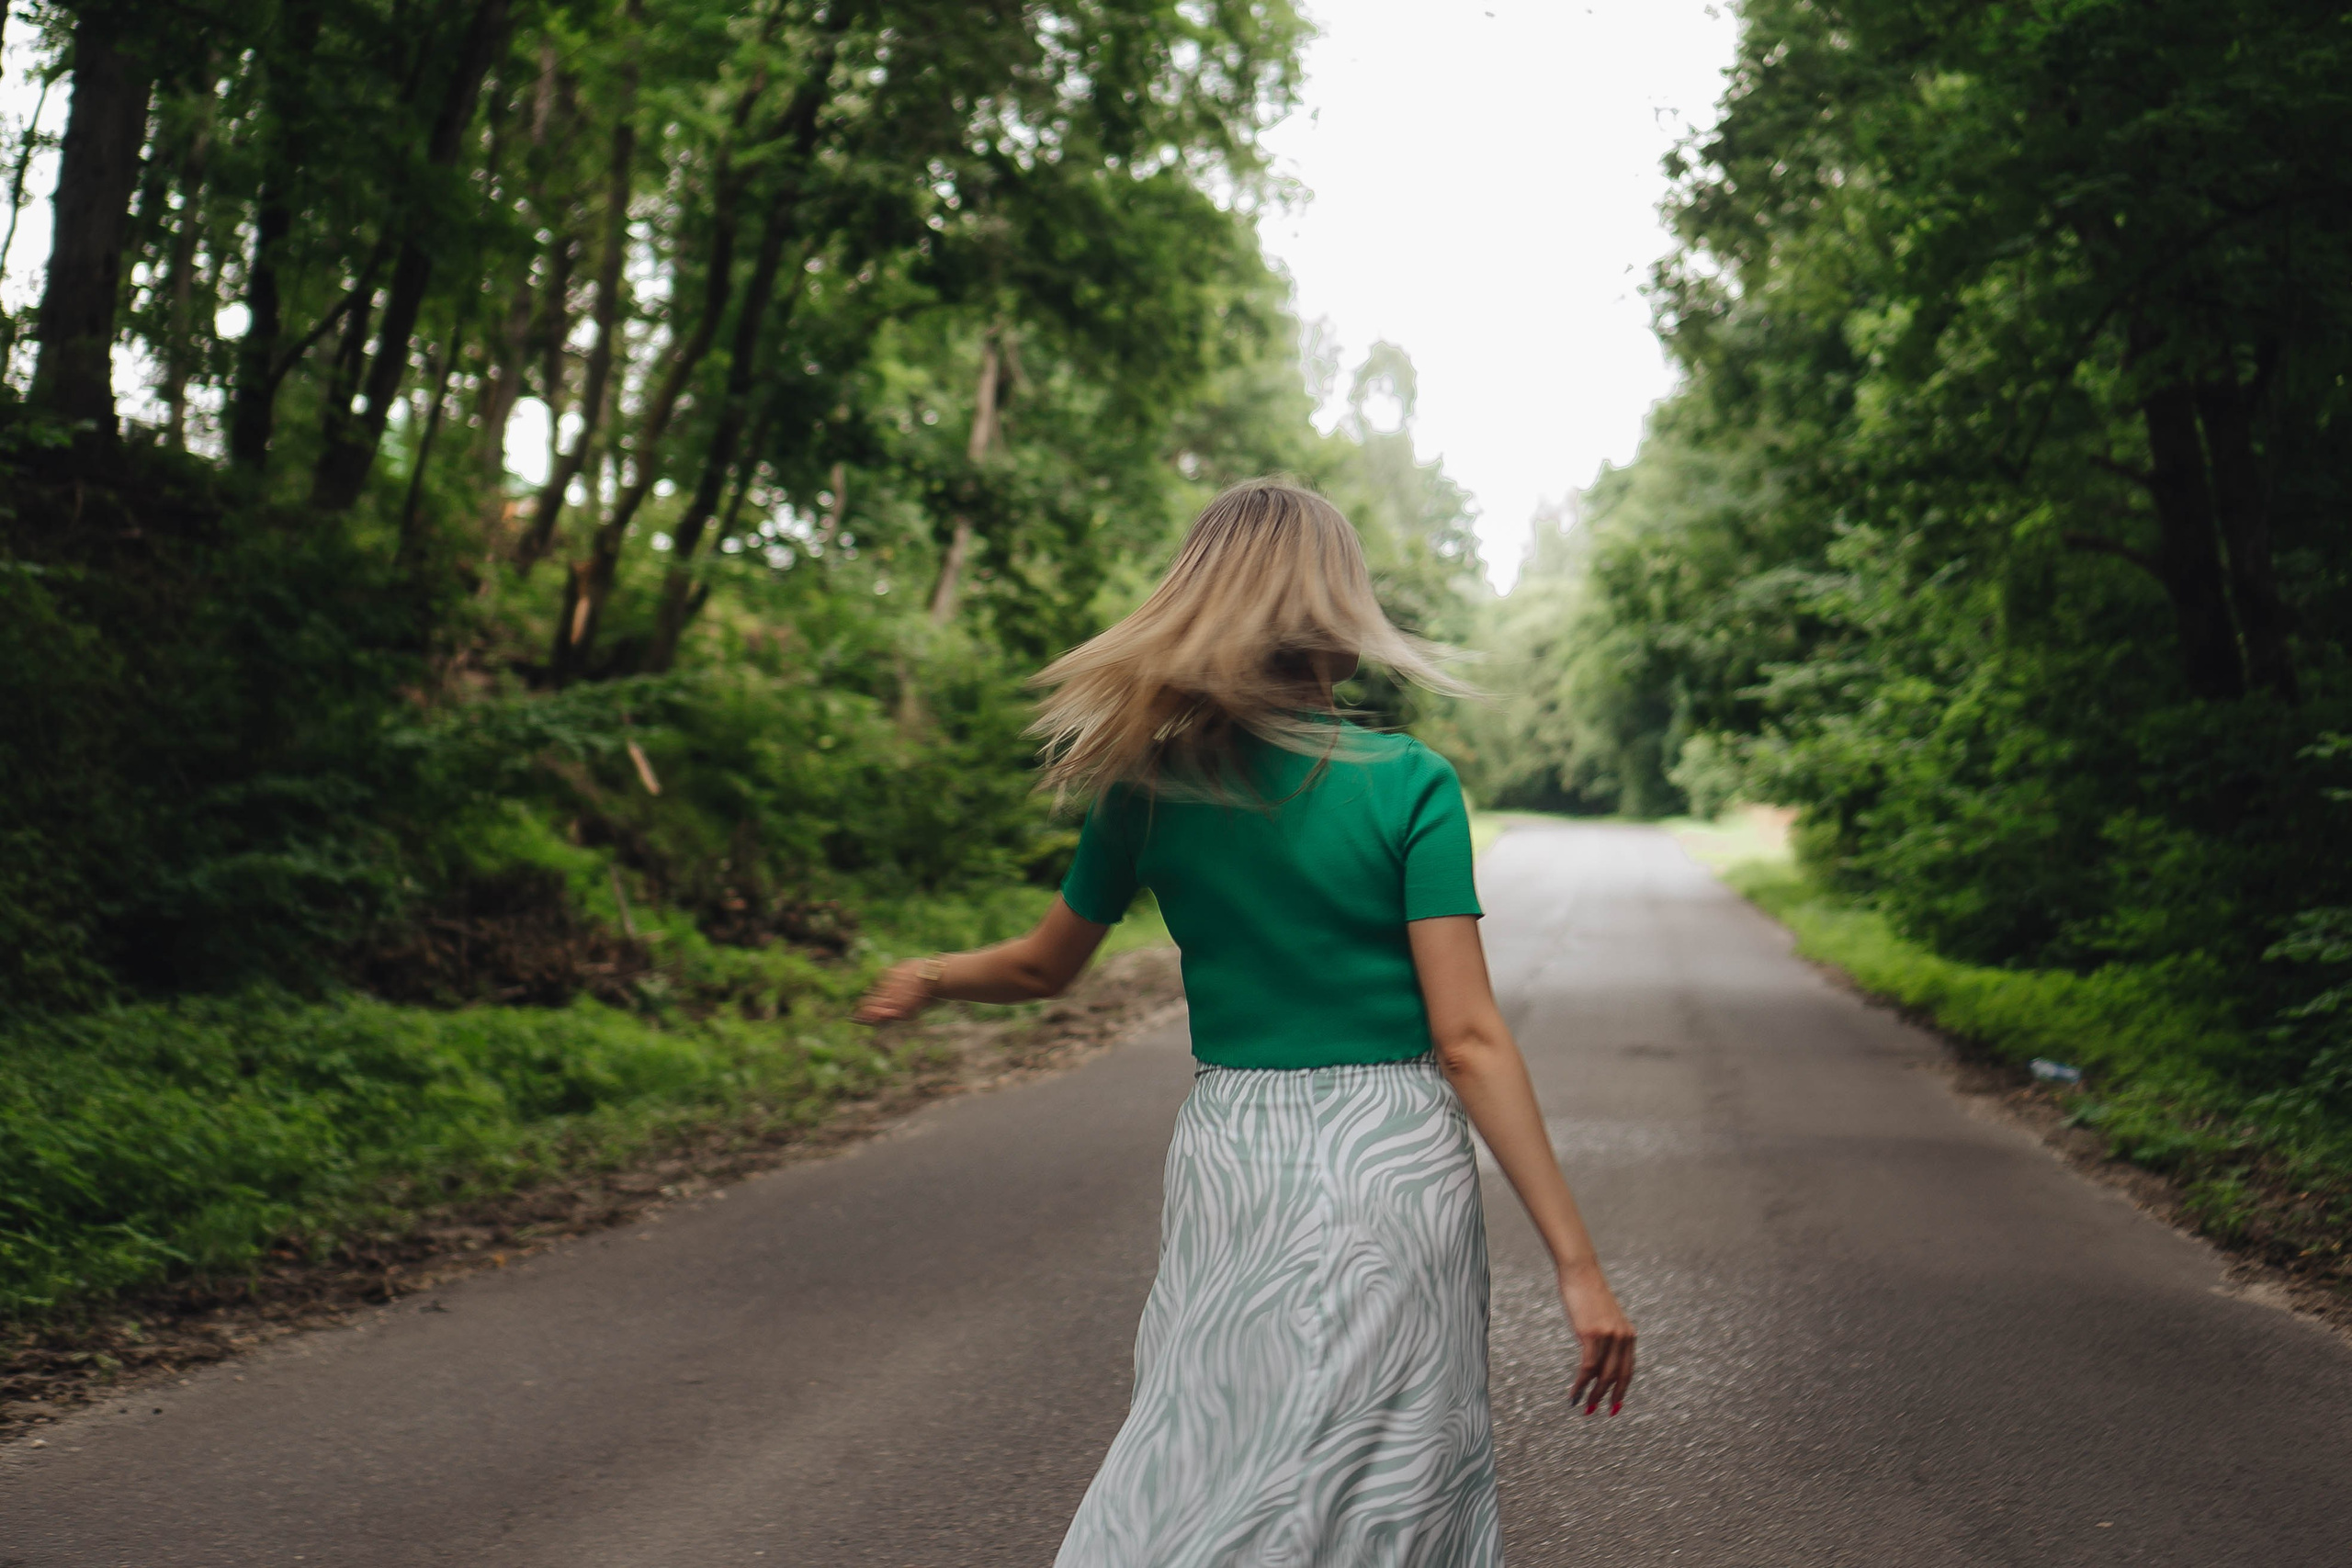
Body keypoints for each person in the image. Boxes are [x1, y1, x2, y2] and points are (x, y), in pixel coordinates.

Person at [854, 477, 1635, 1565]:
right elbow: (1466, 1041)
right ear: (1333, 612)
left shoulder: (1146, 789)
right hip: (1391, 1159)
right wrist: (1577, 1264)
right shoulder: (1410, 784)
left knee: (1207, 1442)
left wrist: (931, 976)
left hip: (1235, 1155)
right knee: (1384, 1465)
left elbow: (1042, 968)